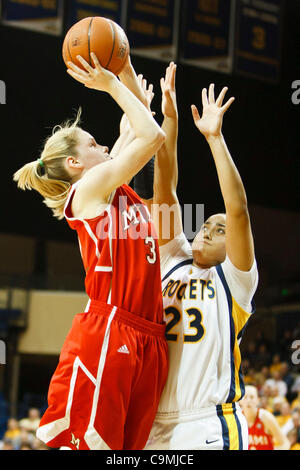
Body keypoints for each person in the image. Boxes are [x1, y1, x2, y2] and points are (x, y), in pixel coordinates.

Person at [14, 53, 168, 450]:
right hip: (110, 328)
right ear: (74, 163)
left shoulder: (110, 182)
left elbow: (139, 125)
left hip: (147, 334)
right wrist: (113, 86)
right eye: (94, 144)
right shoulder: (89, 189)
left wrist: (126, 65)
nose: (104, 146)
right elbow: (152, 136)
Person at [138, 62, 259, 450]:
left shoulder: (235, 281)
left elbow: (237, 209)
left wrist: (214, 139)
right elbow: (165, 190)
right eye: (206, 224)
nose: (208, 229)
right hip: (154, 422)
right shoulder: (173, 258)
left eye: (219, 230)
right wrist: (169, 122)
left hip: (209, 421)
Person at [240, 385, 290, 450]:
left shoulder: (266, 417)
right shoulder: (237, 418)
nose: (248, 400)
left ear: (258, 400)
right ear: (240, 401)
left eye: (252, 397)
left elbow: (285, 443)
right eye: (245, 397)